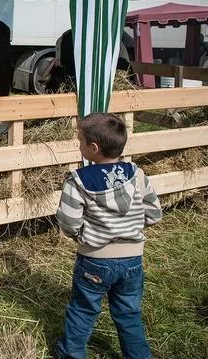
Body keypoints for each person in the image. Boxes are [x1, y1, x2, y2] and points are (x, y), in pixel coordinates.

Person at [55, 113, 162, 359]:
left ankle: (71, 354)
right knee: (128, 312)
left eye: (80, 141)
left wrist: (82, 236)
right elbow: (154, 214)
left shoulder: (78, 180)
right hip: (133, 260)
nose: (78, 145)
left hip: (95, 260)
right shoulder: (137, 175)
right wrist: (132, 227)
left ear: (93, 148)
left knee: (83, 309)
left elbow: (68, 221)